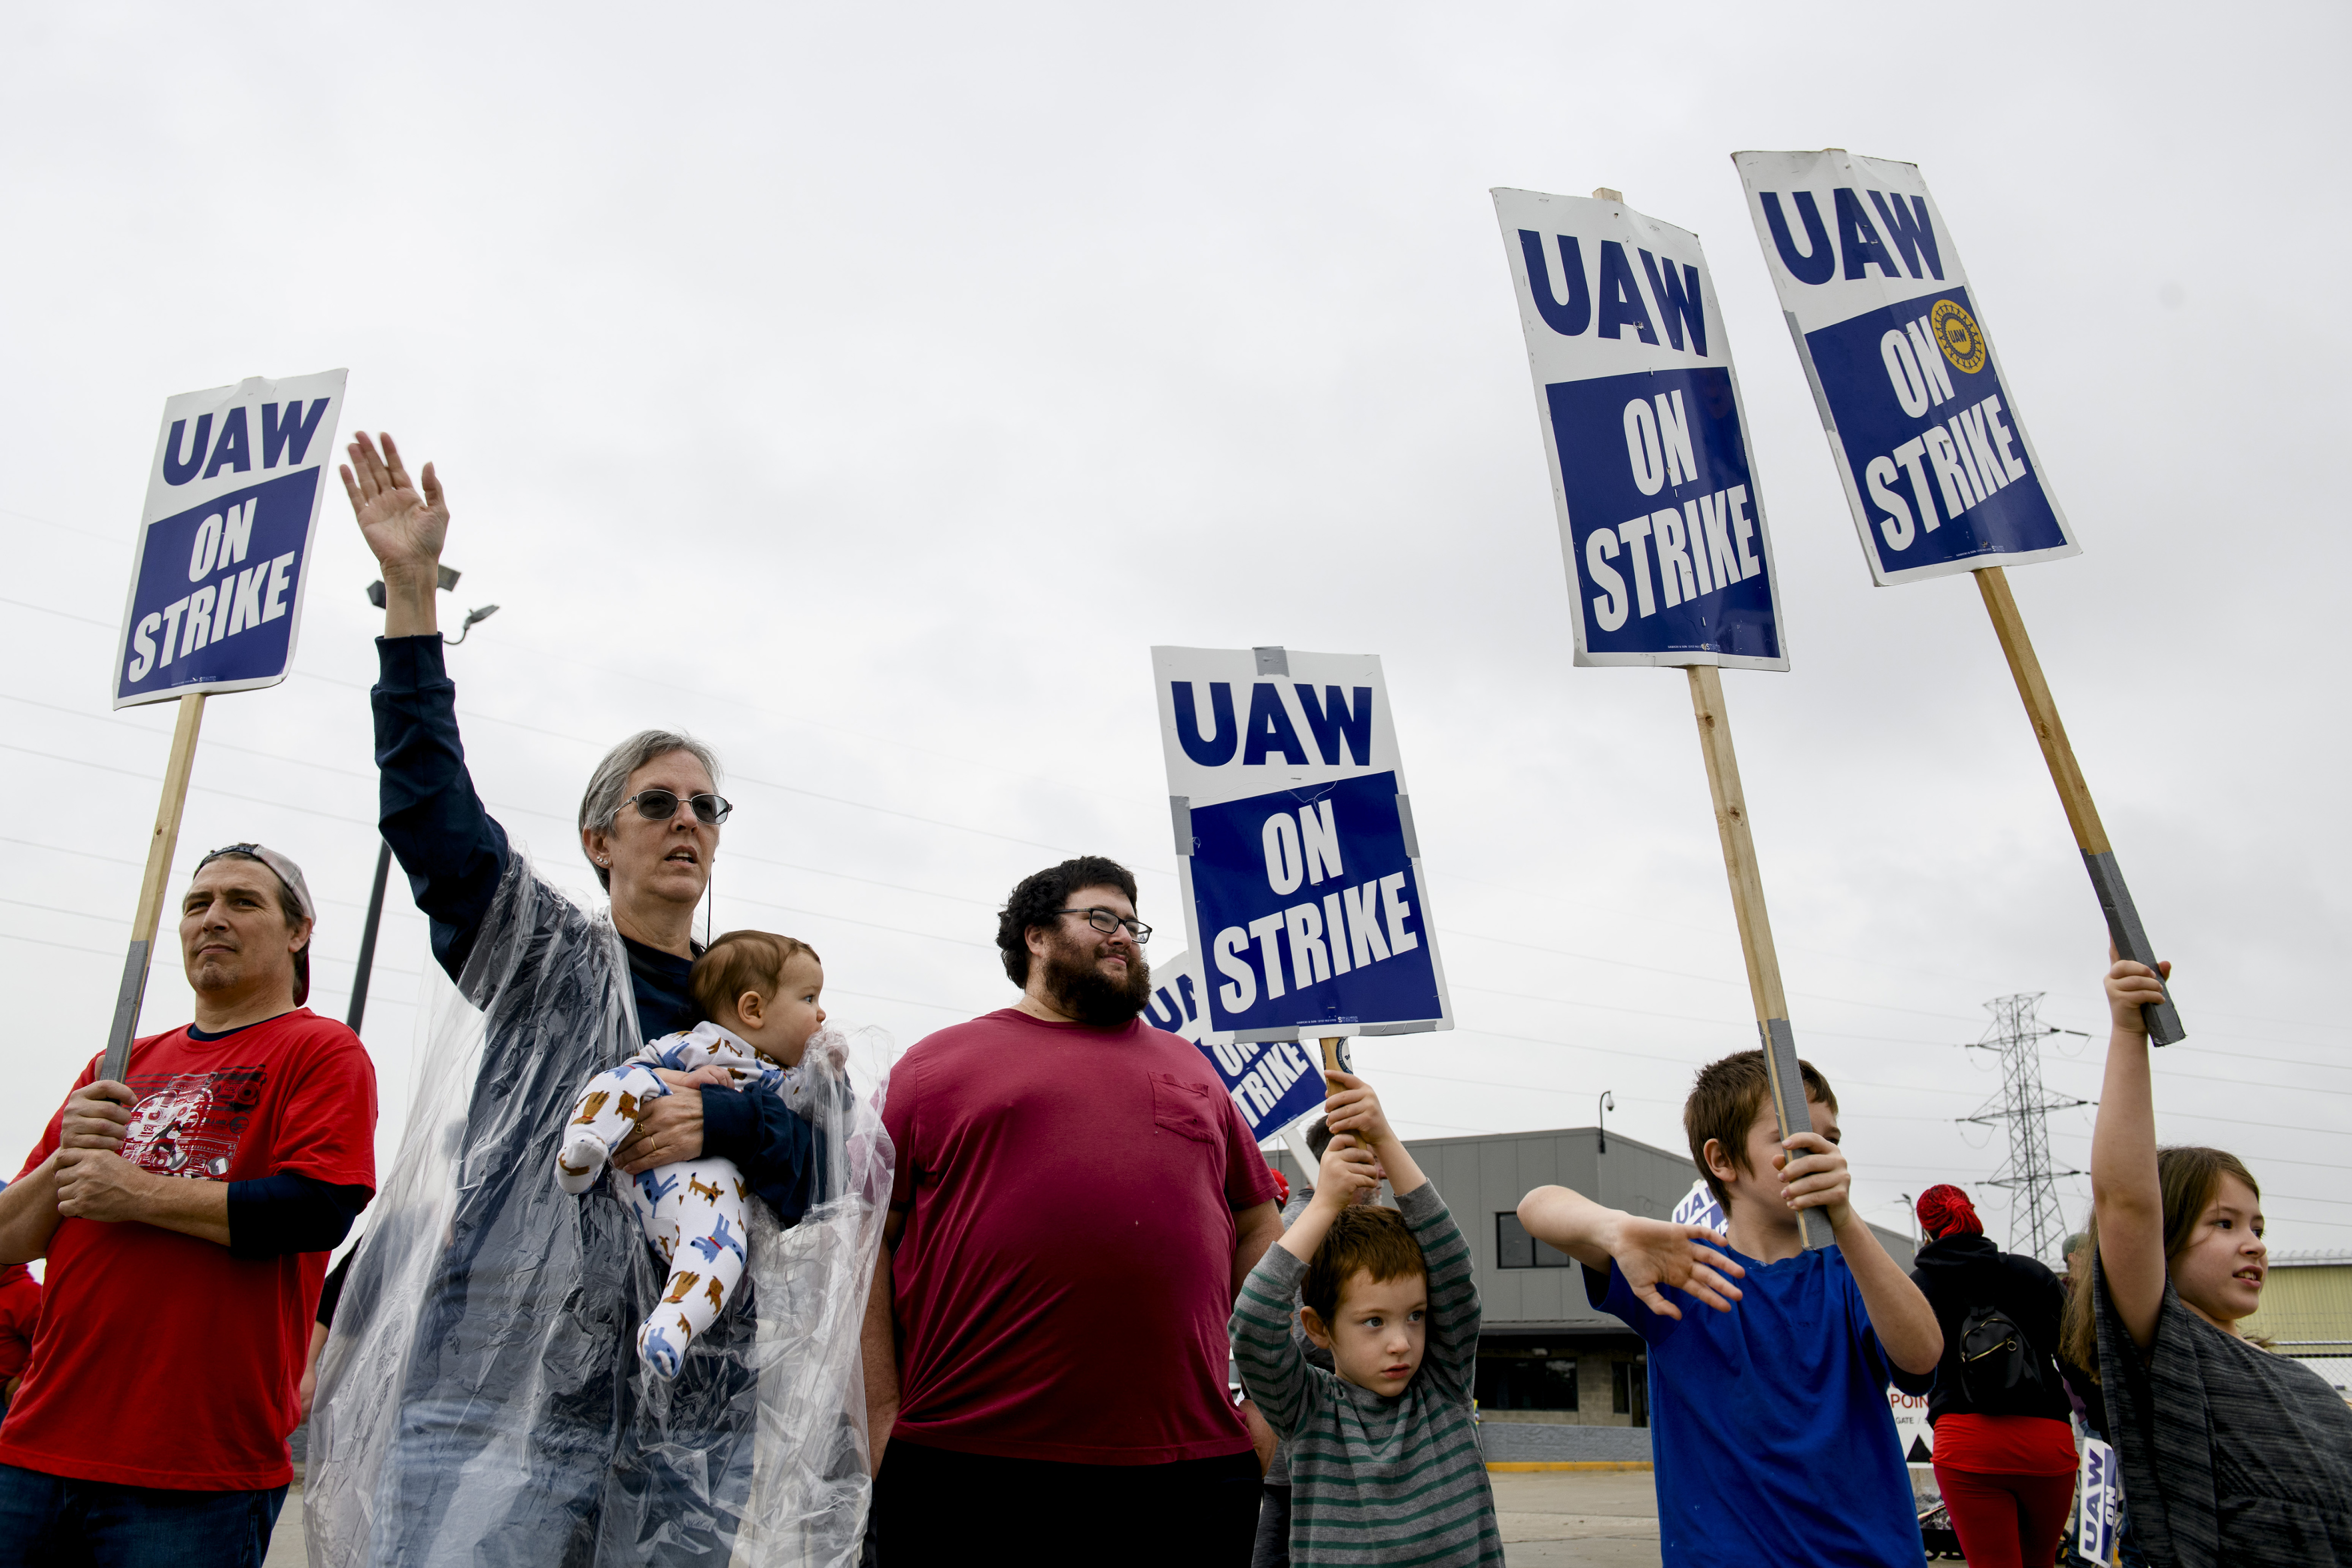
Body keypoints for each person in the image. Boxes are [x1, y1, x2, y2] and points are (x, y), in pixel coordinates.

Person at [308, 432, 885, 1566]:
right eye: (660, 800)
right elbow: (432, 820)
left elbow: (826, 1180)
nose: (687, 821)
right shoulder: (541, 956)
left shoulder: (770, 1009)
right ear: (598, 837)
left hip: (690, 1404)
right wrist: (412, 603)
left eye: (708, 808)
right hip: (497, 1380)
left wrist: (721, 1117)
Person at [862, 856, 1284, 1565]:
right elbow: (862, 1243)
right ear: (1035, 936)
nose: (1124, 936)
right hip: (967, 1465)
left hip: (1188, 1471)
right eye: (1101, 918)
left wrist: (1265, 1411)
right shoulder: (934, 1067)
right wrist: (878, 1416)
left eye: (1133, 924)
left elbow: (1257, 1224)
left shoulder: (1191, 1068)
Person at [0, 844, 375, 1566]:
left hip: (193, 1469)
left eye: (243, 902)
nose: (213, 919)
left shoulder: (321, 1051)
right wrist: (64, 1159)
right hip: (38, 1444)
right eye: (198, 904)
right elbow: (11, 1240)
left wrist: (133, 1192)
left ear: (299, 931)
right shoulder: (118, 1065)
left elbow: (316, 1210)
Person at [1516, 1049, 1942, 1568]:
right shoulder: (1681, 1270)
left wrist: (1847, 1220)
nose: (1820, 1152)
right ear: (1722, 1161)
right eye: (1795, 1136)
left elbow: (1922, 1359)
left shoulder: (1851, 1271)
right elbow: (1536, 1206)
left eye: (1831, 1140)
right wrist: (1614, 1227)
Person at [2058, 955, 2352, 1566]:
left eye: (2258, 1226)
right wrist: (2129, 1032)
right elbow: (2126, 1202)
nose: (2255, 1243)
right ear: (2161, 1241)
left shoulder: (2301, 1383)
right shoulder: (2172, 1355)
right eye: (2223, 1224)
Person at [1231, 1076, 1501, 1566]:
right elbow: (1253, 1324)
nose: (1401, 1342)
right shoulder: (1309, 1409)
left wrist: (1384, 1138)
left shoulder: (1444, 1384)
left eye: (1416, 1316)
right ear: (1316, 1328)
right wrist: (1325, 1202)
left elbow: (1452, 1267)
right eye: (1374, 1322)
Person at [1906, 1183, 2075, 1568]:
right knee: (2042, 1561)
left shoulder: (1917, 1288)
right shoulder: (2031, 1273)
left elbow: (1908, 1370)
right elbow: (2077, 1358)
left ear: (1927, 1230)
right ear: (1971, 1213)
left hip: (1966, 1446)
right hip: (2046, 1444)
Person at [1253, 1113, 1388, 1568]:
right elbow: (1287, 1342)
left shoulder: (1351, 1228)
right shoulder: (1298, 1231)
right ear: (1338, 1159)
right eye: (1374, 1158)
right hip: (1308, 1467)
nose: (1385, 1171)